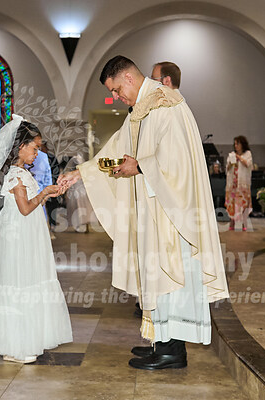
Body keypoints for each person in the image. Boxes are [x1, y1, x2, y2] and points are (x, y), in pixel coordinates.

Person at [58, 56, 229, 370]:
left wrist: (140, 166)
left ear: (127, 77)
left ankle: (173, 351)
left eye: (116, 90)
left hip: (170, 214)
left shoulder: (167, 104)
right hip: (152, 210)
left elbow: (178, 161)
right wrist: (80, 173)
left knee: (169, 276)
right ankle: (161, 342)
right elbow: (115, 148)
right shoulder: (141, 110)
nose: (116, 97)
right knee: (154, 277)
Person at [0, 115, 72, 363]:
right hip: (19, 233)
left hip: (28, 231)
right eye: (34, 148)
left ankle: (24, 341)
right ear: (21, 146)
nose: (37, 153)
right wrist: (44, 193)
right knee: (19, 281)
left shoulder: (23, 172)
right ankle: (15, 346)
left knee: (28, 279)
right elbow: (25, 209)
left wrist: (49, 193)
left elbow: (31, 204)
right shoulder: (15, 174)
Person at [225, 136, 253, 231]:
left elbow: (248, 164)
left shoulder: (247, 154)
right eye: (235, 144)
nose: (236, 146)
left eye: (238, 144)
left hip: (242, 184)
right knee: (232, 204)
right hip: (233, 184)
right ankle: (231, 223)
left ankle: (244, 223)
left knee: (243, 204)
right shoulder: (232, 154)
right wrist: (230, 163)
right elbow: (227, 168)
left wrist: (239, 158)